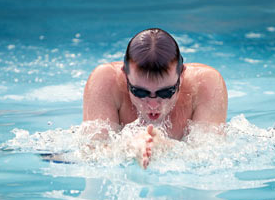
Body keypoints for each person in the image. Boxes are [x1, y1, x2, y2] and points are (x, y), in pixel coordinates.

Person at [83, 28, 227, 169]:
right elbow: (89, 153)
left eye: (166, 92)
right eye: (139, 92)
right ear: (125, 76)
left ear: (181, 76)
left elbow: (210, 156)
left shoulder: (205, 84)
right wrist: (128, 146)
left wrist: (165, 146)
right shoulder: (105, 81)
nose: (152, 105)